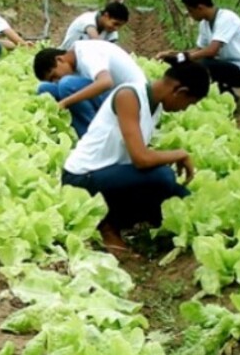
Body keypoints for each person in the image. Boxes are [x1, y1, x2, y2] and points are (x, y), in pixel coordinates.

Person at [61, 61, 211, 256]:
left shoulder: (155, 105)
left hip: (108, 173)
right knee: (163, 177)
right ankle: (108, 225)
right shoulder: (129, 96)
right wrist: (179, 154)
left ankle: (130, 219)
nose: (184, 109)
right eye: (189, 103)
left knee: (179, 194)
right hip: (82, 178)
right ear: (179, 91)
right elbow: (141, 159)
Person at [156, 0, 240, 97]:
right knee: (197, 62)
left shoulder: (227, 18)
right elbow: (198, 51)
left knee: (202, 65)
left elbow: (212, 51)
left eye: (190, 11)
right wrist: (173, 54)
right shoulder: (204, 24)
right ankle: (223, 92)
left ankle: (221, 93)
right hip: (227, 65)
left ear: (200, 8)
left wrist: (182, 58)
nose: (189, 14)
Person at [33, 39, 147, 137]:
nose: (56, 81)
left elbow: (106, 82)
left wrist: (65, 102)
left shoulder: (86, 53)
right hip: (114, 98)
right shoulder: (74, 58)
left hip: (133, 103)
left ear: (60, 60)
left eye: (54, 76)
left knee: (66, 85)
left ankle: (95, 138)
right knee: (45, 89)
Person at [59, 1, 129, 50]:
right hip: (65, 57)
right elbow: (96, 42)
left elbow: (114, 50)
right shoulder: (87, 19)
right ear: (106, 15)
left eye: (120, 26)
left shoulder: (111, 31)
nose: (116, 28)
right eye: (115, 24)